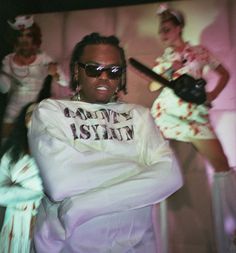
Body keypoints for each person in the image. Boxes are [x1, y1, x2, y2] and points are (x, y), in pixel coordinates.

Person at [28, 32, 183, 253]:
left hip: (136, 246)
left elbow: (170, 176)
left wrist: (83, 206)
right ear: (76, 71)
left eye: (114, 71)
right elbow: (62, 181)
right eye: (93, 69)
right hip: (67, 247)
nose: (104, 77)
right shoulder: (51, 111)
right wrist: (138, 169)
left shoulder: (139, 115)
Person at [143, 4, 235, 253]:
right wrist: (170, 67)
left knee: (223, 165)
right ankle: (150, 239)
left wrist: (211, 94)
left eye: (167, 29)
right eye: (160, 31)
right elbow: (153, 87)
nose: (163, 34)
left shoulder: (200, 52)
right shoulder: (164, 58)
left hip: (195, 116)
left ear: (179, 28)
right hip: (167, 115)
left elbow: (224, 74)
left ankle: (230, 233)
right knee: (154, 168)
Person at [0, 15, 68, 140]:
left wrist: (54, 73)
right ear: (16, 39)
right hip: (13, 109)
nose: (24, 40)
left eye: (28, 35)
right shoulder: (8, 59)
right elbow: (4, 88)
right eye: (21, 36)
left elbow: (65, 82)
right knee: (5, 142)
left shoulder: (44, 58)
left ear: (34, 39)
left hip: (35, 109)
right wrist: (4, 74)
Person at [0, 102, 43, 253]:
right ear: (24, 121)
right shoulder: (11, 154)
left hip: (45, 225)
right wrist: (39, 192)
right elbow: (1, 194)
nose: (36, 117)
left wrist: (19, 187)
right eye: (31, 113)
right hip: (15, 224)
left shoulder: (58, 153)